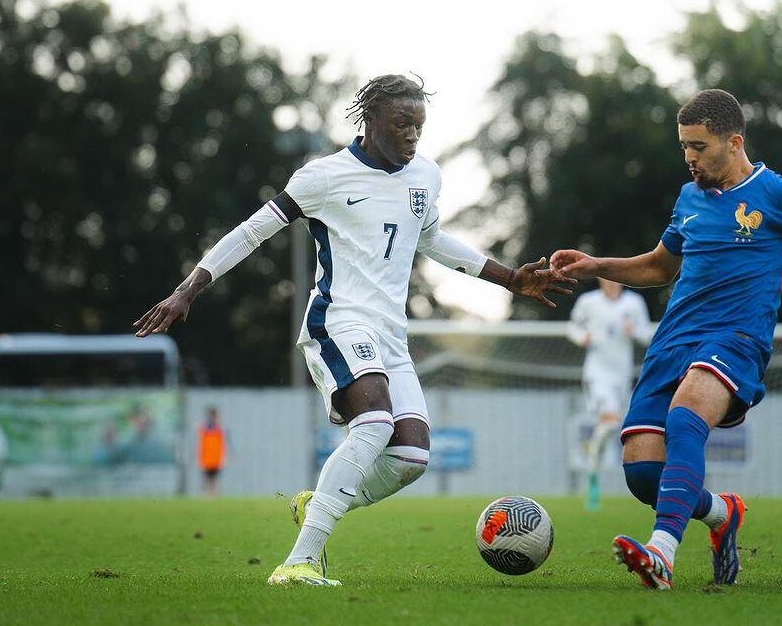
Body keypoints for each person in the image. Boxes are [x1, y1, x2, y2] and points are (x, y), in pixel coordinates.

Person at [134, 73, 573, 587]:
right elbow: (252, 230)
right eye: (402, 124)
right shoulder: (323, 177)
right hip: (338, 320)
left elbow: (432, 239)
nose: (412, 136)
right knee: (375, 426)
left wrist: (509, 279)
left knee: (410, 458)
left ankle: (318, 504)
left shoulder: (425, 176)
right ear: (370, 121)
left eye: (419, 126)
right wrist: (188, 289)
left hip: (391, 334)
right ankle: (298, 562)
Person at [550, 89, 782, 590]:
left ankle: (661, 554)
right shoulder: (688, 197)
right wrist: (595, 266)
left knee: (686, 414)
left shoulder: (781, 195)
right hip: (672, 341)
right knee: (642, 473)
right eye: (684, 147)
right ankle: (720, 514)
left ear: (734, 142)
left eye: (699, 147)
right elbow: (658, 266)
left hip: (736, 339)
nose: (689, 158)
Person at [566, 278, 652, 509]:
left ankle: (592, 474)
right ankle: (593, 480)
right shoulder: (589, 301)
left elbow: (647, 334)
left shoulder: (634, 302)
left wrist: (633, 331)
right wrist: (581, 336)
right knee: (611, 420)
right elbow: (573, 327)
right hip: (597, 374)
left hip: (621, 376)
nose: (612, 283)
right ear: (600, 279)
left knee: (609, 427)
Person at [198, 406, 228, 497]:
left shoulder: (219, 429)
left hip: (215, 458)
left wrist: (223, 456)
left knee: (214, 478)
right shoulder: (205, 429)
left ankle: (214, 495)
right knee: (207, 478)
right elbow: (202, 444)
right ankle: (206, 494)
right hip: (207, 457)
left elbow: (222, 444)